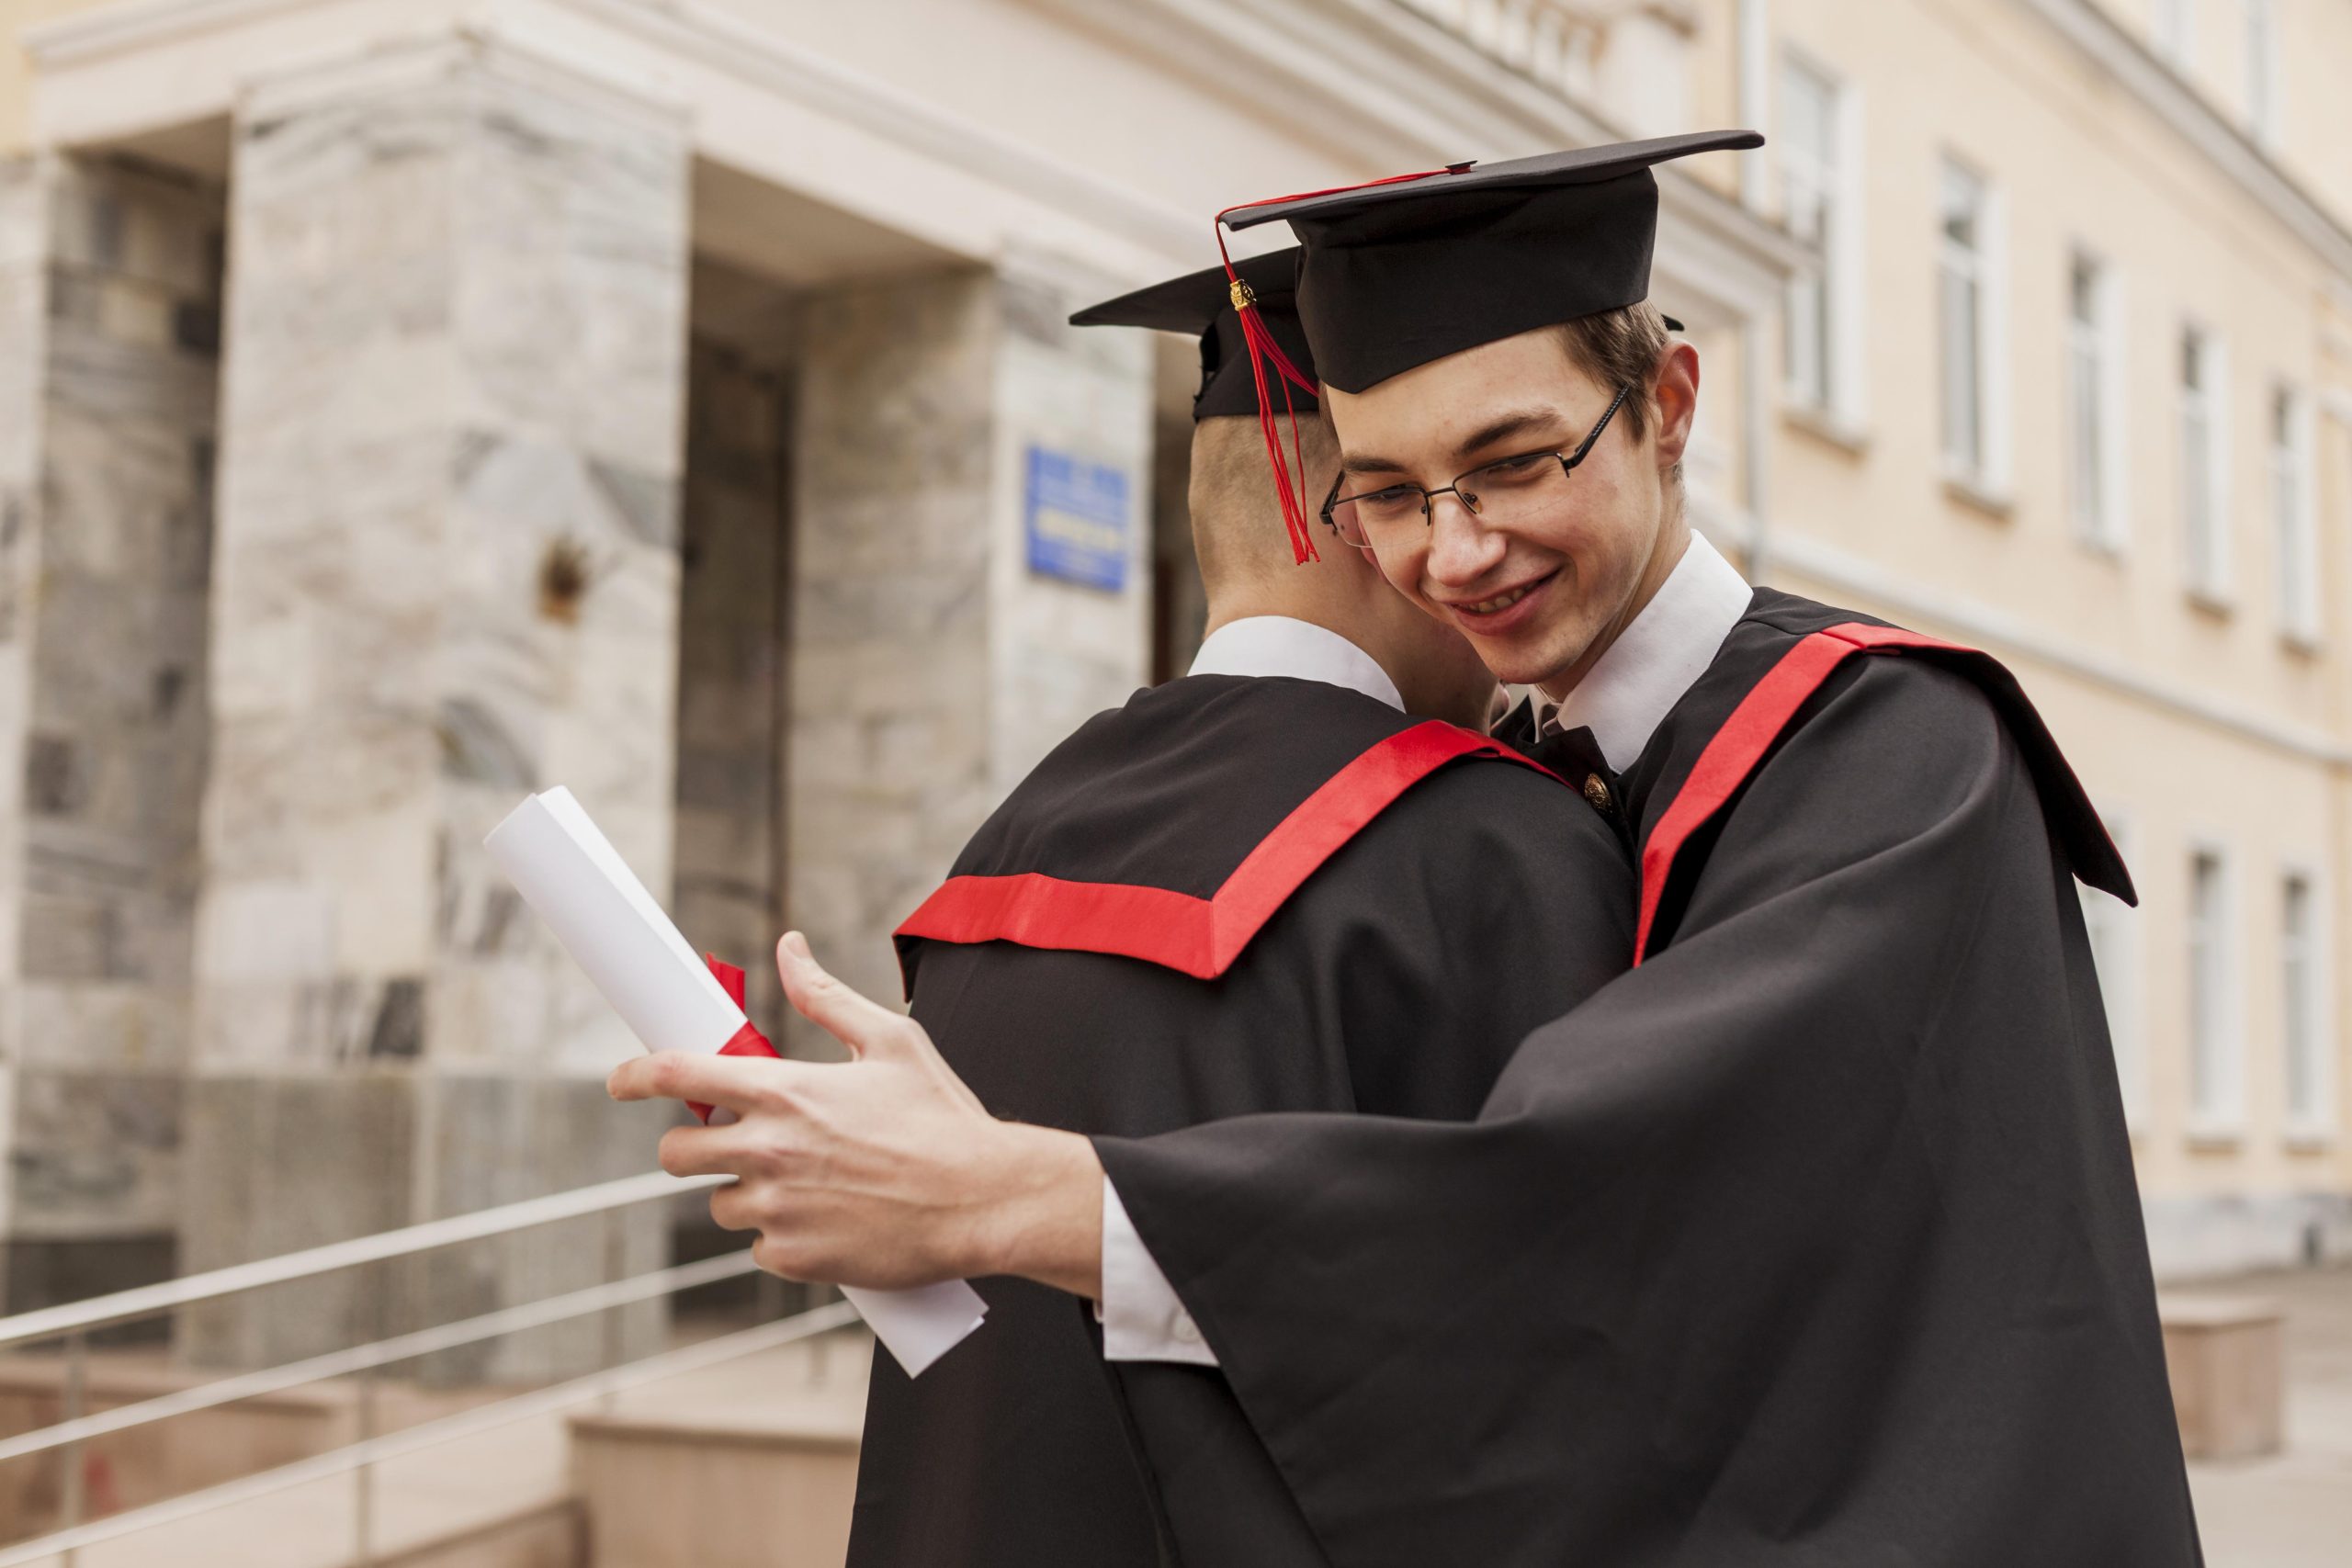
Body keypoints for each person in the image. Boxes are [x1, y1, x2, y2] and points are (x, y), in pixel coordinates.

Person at [614, 133, 2202, 1565]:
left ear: (1665, 409)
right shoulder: (1552, 776)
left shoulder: (1888, 753)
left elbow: (1589, 1223)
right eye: (1386, 492)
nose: (1456, 550)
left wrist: (1012, 1196)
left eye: (1513, 462)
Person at [837, 248, 1634, 1568]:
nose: (1471, 543)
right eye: (1431, 486)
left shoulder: (1008, 842)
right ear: (1350, 510)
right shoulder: (1493, 849)